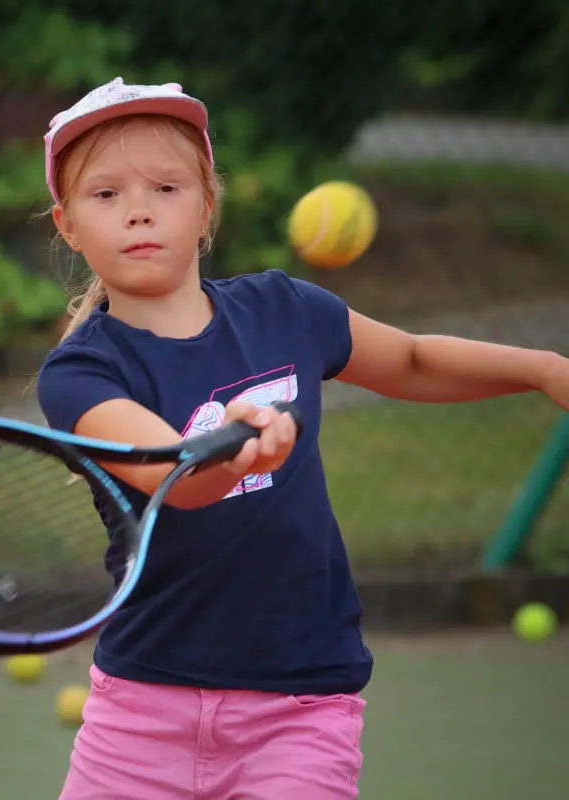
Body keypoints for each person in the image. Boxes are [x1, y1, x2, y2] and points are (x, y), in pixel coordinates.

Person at [36, 77, 569, 799]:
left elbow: (411, 360)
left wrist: (544, 370)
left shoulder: (287, 310)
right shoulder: (80, 373)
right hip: (140, 711)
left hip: (300, 707)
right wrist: (240, 447)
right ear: (68, 226)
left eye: (165, 188)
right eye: (106, 196)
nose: (138, 212)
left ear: (206, 207)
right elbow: (177, 477)